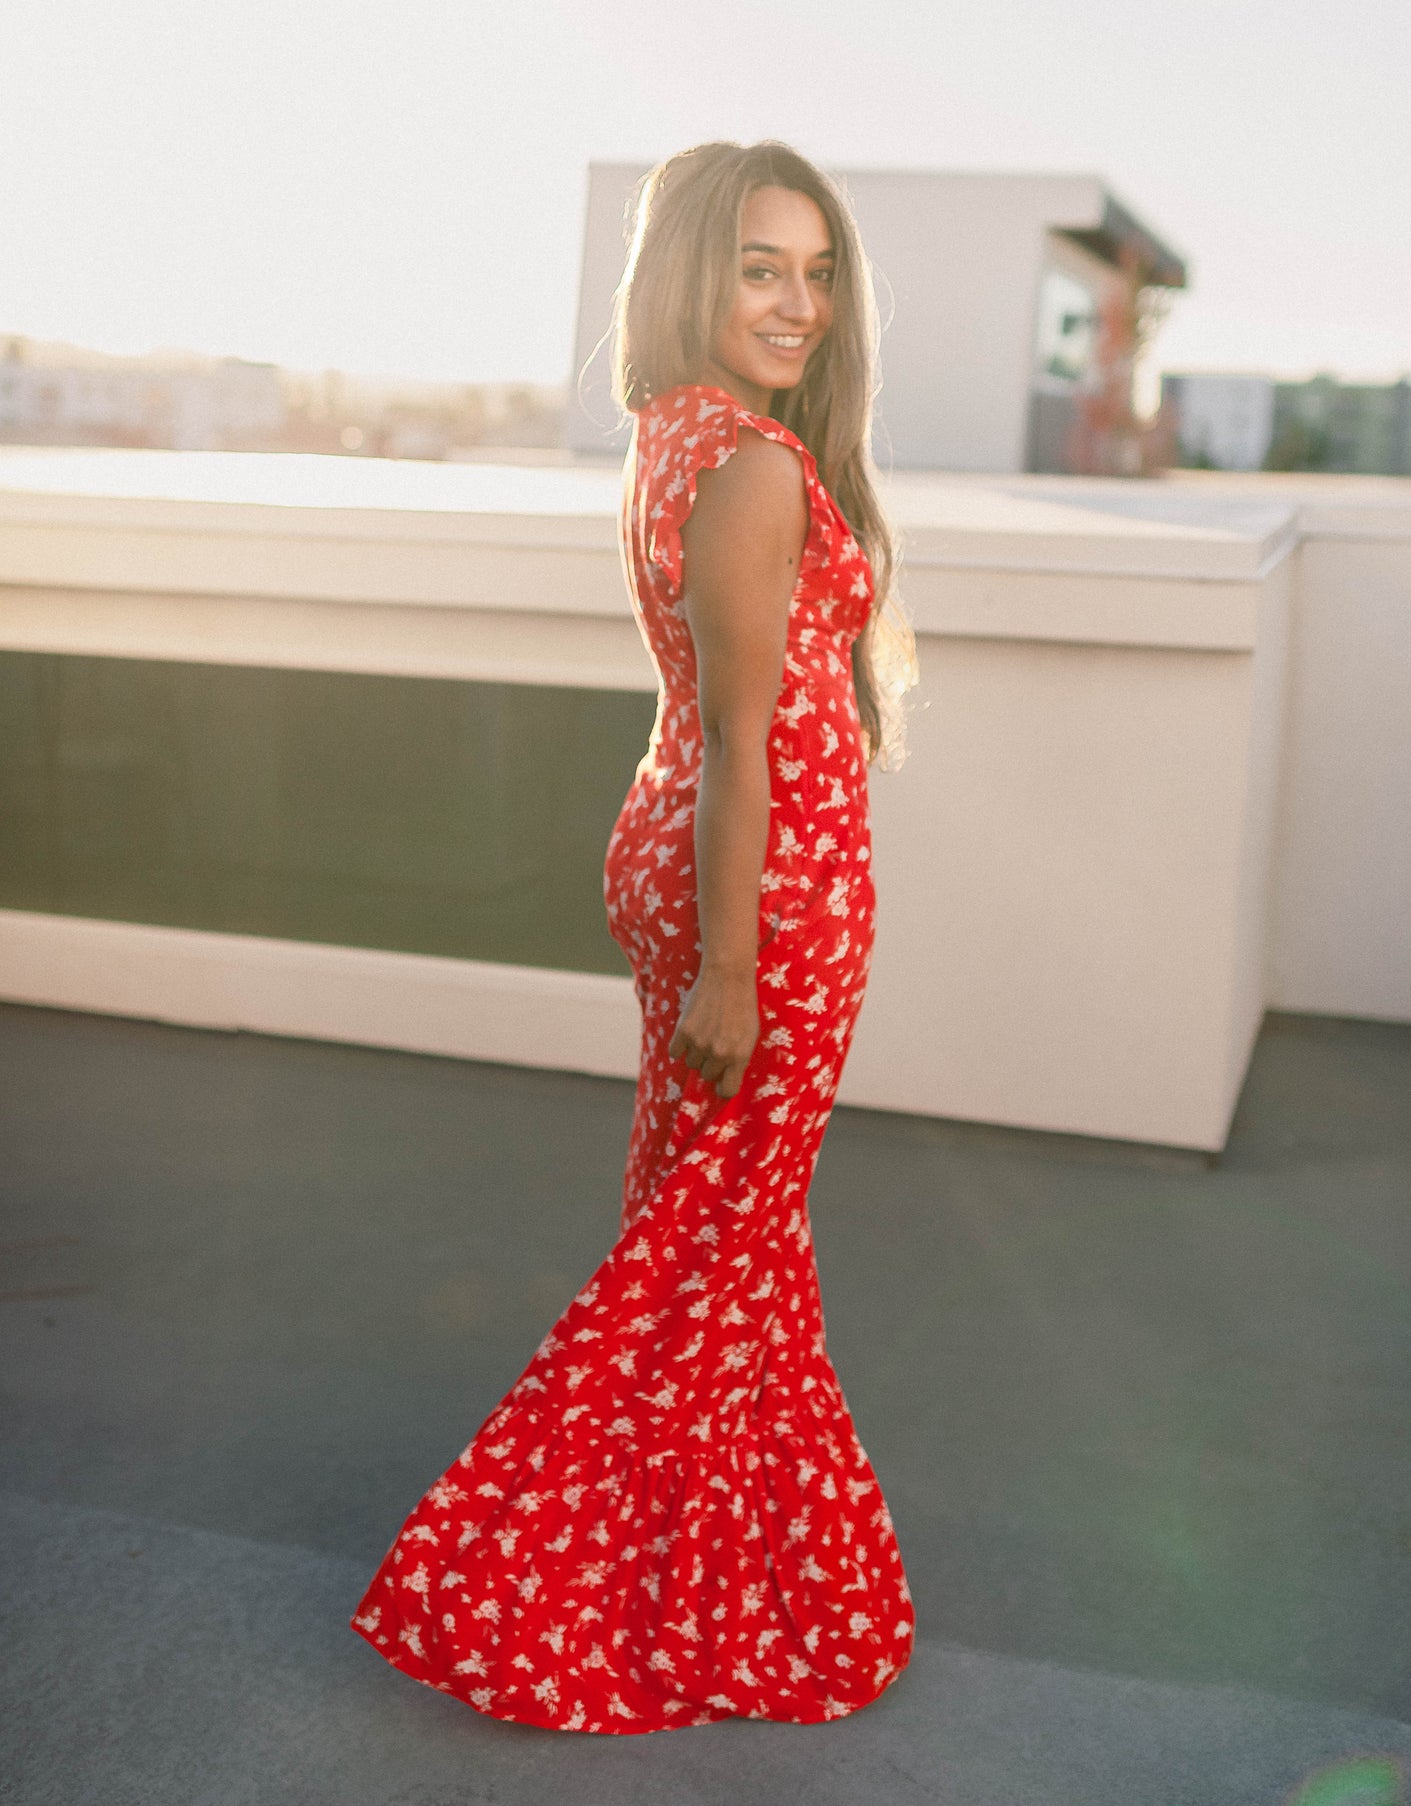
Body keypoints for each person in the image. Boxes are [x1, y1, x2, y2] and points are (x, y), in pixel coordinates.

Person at [350, 139, 919, 1735]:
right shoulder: (745, 463)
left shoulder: (675, 438)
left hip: (697, 850)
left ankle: (735, 1585)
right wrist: (735, 965)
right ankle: (519, 1594)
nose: (797, 303)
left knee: (727, 1248)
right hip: (762, 886)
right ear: (689, 274)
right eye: (759, 267)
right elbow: (748, 733)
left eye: (815, 273)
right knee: (704, 1266)